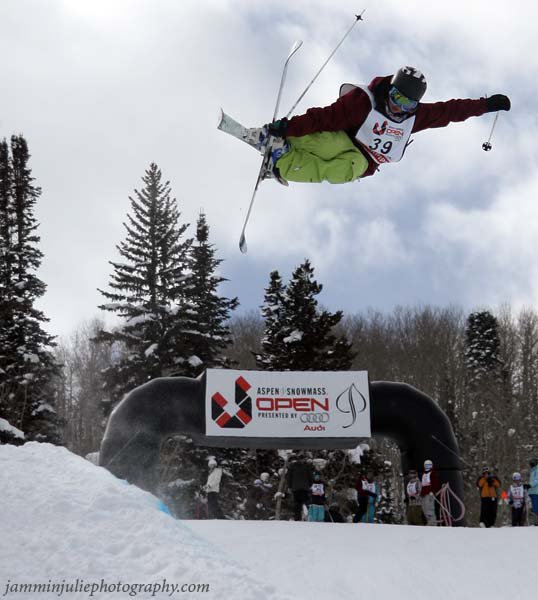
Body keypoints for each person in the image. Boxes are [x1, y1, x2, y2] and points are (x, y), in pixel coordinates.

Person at [246, 66, 511, 185]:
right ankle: (278, 140)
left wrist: (485, 105)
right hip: (344, 138)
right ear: (389, 90)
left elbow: (450, 110)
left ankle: (283, 163)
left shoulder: (415, 118)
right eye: (395, 98)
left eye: (406, 104)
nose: (398, 107)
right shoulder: (364, 102)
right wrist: (286, 127)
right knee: (324, 142)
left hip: (363, 161)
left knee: (341, 172)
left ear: (415, 105)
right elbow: (323, 118)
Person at [286, 453, 314, 521]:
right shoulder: (307, 466)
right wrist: (310, 484)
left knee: (297, 504)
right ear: (303, 459)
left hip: (296, 488)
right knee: (306, 503)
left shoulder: (292, 466)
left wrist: (290, 486)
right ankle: (308, 517)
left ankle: (297, 518)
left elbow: (289, 477)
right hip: (304, 488)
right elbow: (310, 476)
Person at [420, 459, 441, 526]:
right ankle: (429, 521)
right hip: (424, 494)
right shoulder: (424, 474)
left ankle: (433, 523)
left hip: (429, 494)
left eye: (429, 465)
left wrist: (433, 491)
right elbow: (423, 484)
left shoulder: (432, 473)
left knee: (430, 508)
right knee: (424, 508)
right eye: (426, 465)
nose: (427, 466)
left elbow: (435, 483)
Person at [528, 458, 538, 526]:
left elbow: (537, 480)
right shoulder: (532, 471)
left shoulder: (537, 470)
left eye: (531, 463)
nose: (530, 465)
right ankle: (535, 522)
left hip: (536, 492)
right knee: (534, 508)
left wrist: (530, 485)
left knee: (536, 507)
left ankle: (536, 522)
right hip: (532, 492)